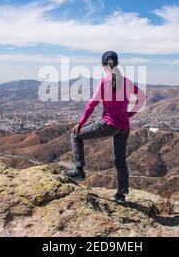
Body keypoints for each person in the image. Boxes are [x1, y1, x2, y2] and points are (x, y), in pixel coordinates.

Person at [63, 51, 147, 204]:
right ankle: (121, 193)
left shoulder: (104, 81)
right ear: (117, 64)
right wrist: (130, 114)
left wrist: (80, 124)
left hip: (109, 124)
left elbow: (91, 104)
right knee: (120, 161)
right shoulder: (127, 81)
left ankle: (79, 170)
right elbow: (142, 97)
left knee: (75, 135)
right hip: (124, 126)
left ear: (103, 65)